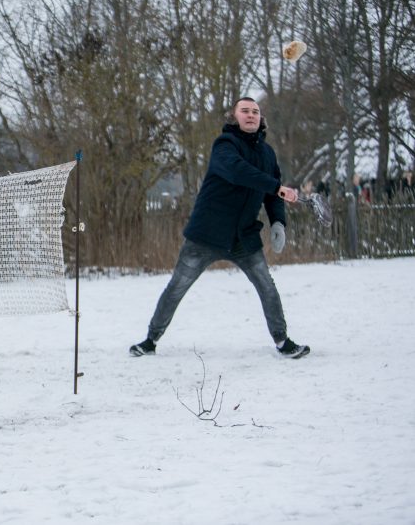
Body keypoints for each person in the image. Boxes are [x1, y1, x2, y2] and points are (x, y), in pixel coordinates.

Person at [129, 97, 310, 359]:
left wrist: (278, 222)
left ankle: (283, 342)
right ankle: (150, 340)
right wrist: (276, 187)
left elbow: (273, 195)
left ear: (261, 119)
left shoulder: (268, 154)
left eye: (255, 112)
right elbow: (239, 173)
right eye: (245, 111)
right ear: (234, 117)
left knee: (267, 287)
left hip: (244, 237)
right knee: (177, 286)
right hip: (206, 235)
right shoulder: (225, 145)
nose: (251, 115)